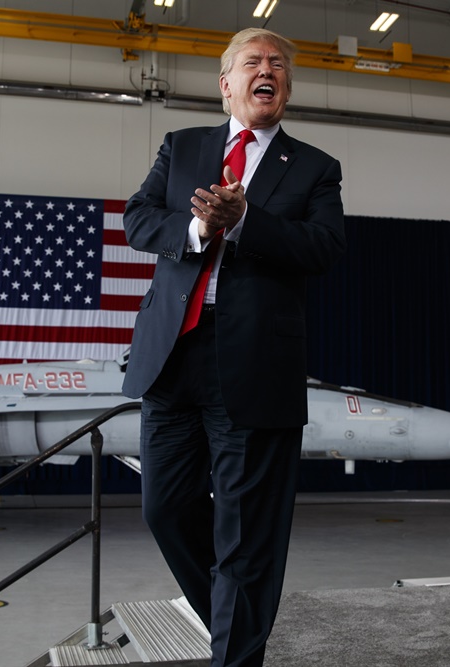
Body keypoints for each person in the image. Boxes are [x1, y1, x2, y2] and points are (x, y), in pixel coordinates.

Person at [122, 27, 346, 667]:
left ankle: (235, 653)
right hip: (174, 354)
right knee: (165, 509)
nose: (267, 69)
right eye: (253, 61)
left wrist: (246, 220)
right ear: (227, 84)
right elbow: (139, 218)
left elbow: (324, 248)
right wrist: (198, 225)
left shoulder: (313, 168)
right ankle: (235, 612)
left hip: (254, 362)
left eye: (278, 63)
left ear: (286, 86)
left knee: (246, 533)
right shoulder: (182, 146)